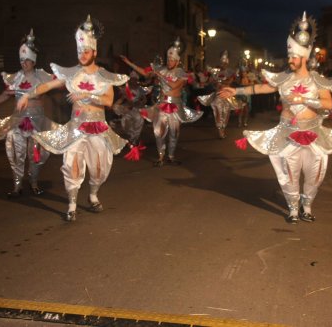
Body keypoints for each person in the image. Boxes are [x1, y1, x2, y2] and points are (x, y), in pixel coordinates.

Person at [219, 12, 332, 224]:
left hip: (313, 134)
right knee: (288, 172)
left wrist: (305, 99)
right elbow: (263, 87)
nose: (290, 59)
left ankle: (307, 205)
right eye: (289, 56)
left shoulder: (317, 80)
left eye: (294, 56)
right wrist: (237, 92)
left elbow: (328, 104)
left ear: (305, 57)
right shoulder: (283, 78)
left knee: (314, 173)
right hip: (288, 132)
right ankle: (293, 208)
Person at [17, 15, 129, 221]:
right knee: (72, 165)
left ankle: (93, 195)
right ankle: (72, 204)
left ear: (94, 51)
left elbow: (108, 101)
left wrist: (86, 95)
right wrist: (27, 94)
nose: (82, 55)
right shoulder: (70, 74)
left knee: (99, 168)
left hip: (98, 127)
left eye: (86, 51)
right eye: (79, 51)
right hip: (76, 128)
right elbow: (47, 86)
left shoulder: (105, 75)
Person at [0, 29, 58, 197]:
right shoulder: (15, 77)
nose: (24, 63)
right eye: (22, 60)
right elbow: (1, 97)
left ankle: (33, 182)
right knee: (17, 154)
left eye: (28, 60)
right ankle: (17, 186)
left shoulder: (42, 76)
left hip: (37, 122)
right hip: (18, 121)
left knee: (36, 156)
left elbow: (59, 83)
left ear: (34, 61)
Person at [120, 37, 202, 166]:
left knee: (174, 133)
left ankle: (171, 156)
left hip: (175, 105)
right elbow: (145, 73)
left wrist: (160, 76)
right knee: (159, 132)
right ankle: (161, 157)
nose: (169, 62)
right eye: (168, 59)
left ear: (177, 60)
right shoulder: (161, 69)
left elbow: (175, 86)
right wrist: (129, 63)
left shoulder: (182, 73)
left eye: (172, 60)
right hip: (162, 104)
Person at [197, 50, 241, 138]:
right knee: (218, 112)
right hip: (218, 95)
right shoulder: (215, 72)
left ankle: (223, 128)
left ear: (227, 63)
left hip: (227, 96)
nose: (223, 64)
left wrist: (221, 81)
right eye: (222, 62)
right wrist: (204, 83)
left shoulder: (230, 72)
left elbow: (230, 81)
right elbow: (210, 81)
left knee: (226, 113)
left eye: (225, 63)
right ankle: (220, 130)